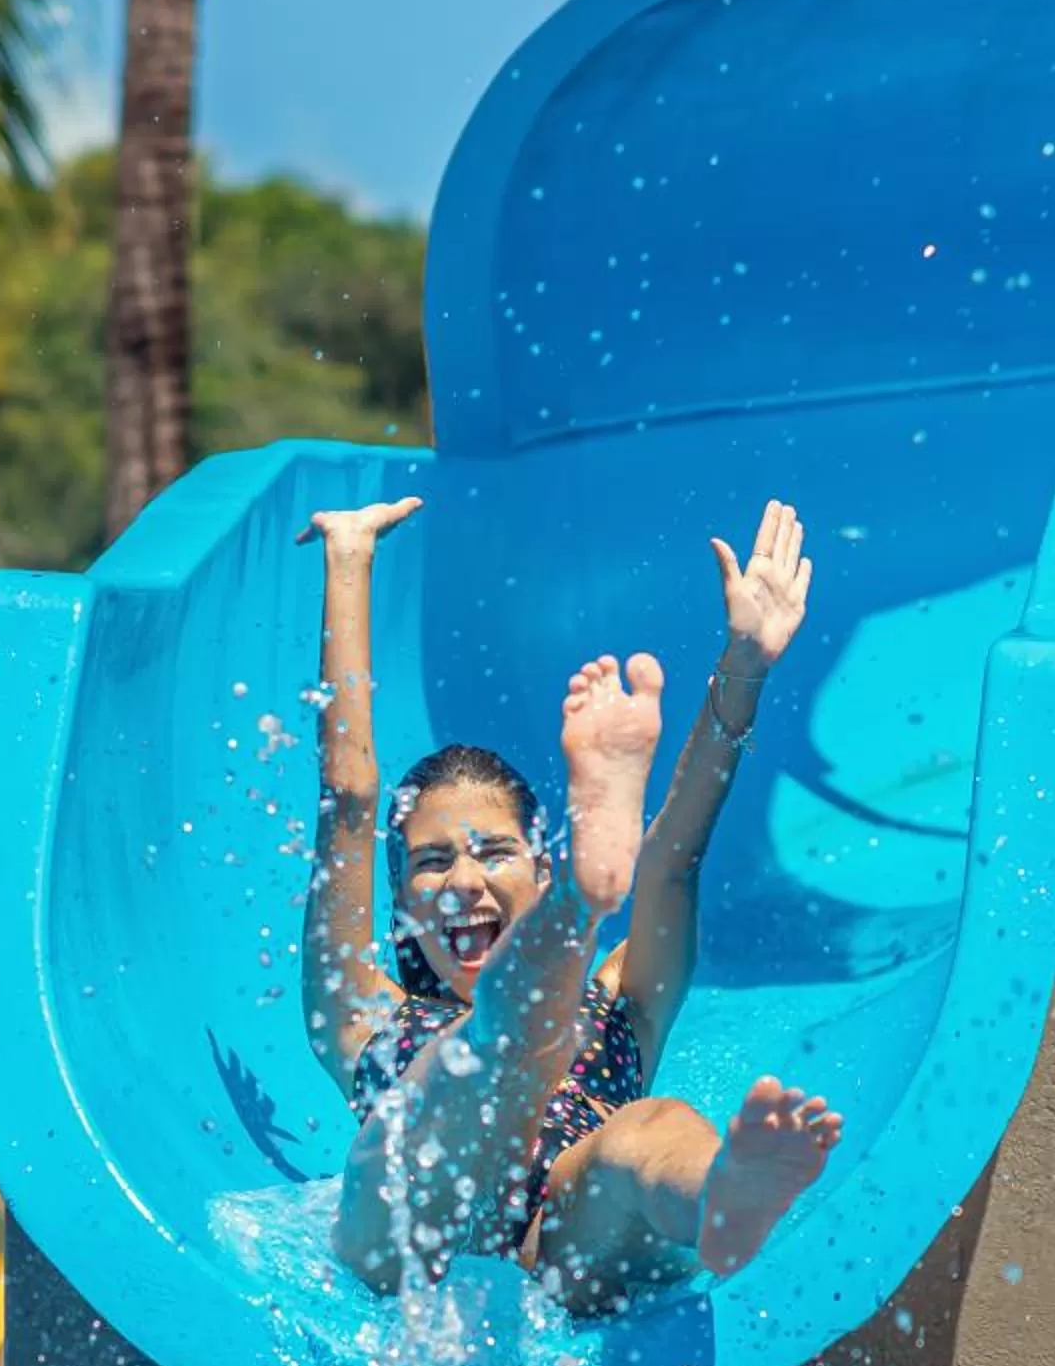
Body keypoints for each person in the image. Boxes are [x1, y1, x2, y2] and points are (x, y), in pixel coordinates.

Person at [300, 492, 844, 1315]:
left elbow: (674, 864)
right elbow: (347, 797)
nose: (461, 882)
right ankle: (585, 910)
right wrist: (348, 557)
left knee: (643, 1133)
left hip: (565, 1239)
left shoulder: (623, 1000)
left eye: (492, 852)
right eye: (431, 861)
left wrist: (745, 666)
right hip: (411, 1233)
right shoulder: (363, 1015)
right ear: (403, 899)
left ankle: (718, 1198)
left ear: (541, 869)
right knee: (446, 1084)